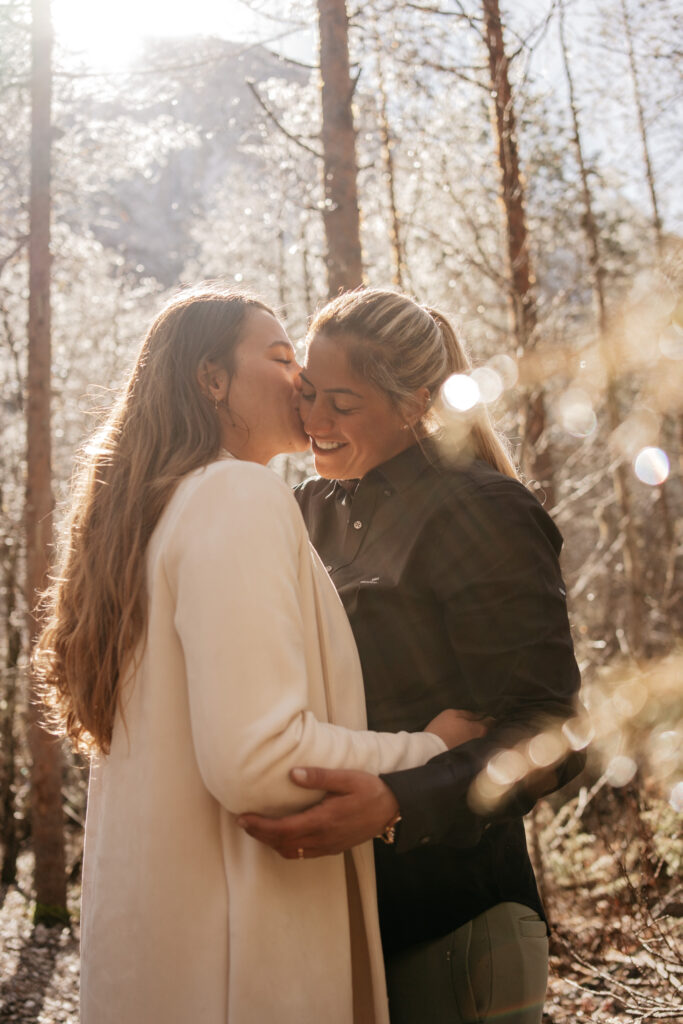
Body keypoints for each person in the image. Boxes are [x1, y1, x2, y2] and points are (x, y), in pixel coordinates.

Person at [32, 286, 471, 1024]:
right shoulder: (235, 495)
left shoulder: (153, 516)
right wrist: (431, 750)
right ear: (211, 380)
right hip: (238, 971)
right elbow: (262, 761)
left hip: (161, 967)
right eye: (278, 356)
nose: (300, 378)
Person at [238, 289, 586, 1024]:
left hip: (453, 925)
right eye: (307, 395)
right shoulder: (303, 512)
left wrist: (398, 800)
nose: (314, 421)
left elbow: (549, 727)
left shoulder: (478, 509)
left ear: (413, 403)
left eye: (342, 402)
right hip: (333, 926)